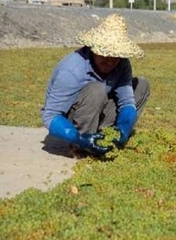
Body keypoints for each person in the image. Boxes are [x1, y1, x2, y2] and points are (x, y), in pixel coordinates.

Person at [41, 14, 150, 158]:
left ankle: (107, 137)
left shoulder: (122, 63)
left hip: (98, 111)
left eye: (115, 56)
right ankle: (82, 146)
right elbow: (50, 115)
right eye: (105, 54)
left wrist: (123, 128)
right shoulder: (71, 70)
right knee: (96, 89)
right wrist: (78, 138)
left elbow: (127, 102)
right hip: (72, 122)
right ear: (93, 49)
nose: (110, 61)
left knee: (141, 85)